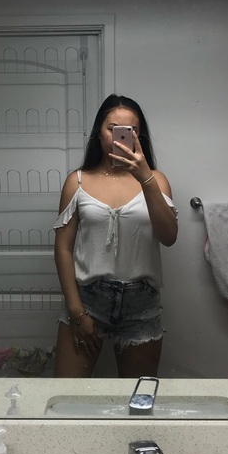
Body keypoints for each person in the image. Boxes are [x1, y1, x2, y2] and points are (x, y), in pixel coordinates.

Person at [53, 94, 178, 378]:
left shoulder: (156, 180)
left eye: (131, 130)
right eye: (113, 129)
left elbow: (169, 236)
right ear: (99, 132)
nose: (121, 137)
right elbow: (63, 248)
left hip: (140, 304)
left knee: (138, 398)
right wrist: (76, 312)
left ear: (139, 137)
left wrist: (145, 178)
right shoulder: (77, 181)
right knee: (65, 395)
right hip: (86, 299)